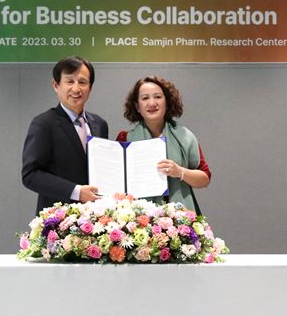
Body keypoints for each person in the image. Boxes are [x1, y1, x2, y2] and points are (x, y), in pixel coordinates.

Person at [22, 56, 109, 214]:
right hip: (58, 219)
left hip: (96, 218)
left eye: (82, 82)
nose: (76, 88)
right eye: (70, 81)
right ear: (56, 85)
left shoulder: (100, 124)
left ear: (90, 87)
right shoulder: (44, 123)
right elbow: (31, 175)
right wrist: (76, 192)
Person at [117, 75, 211, 212]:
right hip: (139, 219)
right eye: (145, 98)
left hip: (180, 217)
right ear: (137, 106)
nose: (152, 103)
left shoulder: (185, 136)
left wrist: (179, 171)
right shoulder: (125, 139)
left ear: (167, 102)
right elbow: (116, 183)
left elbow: (205, 179)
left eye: (158, 97)